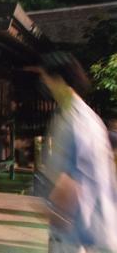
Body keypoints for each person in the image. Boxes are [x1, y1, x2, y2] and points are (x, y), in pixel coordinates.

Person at [37, 52, 117, 253]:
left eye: (45, 77)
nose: (44, 83)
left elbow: (68, 180)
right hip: (98, 223)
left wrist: (52, 212)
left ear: (58, 79)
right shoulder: (90, 118)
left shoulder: (69, 121)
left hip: (74, 229)